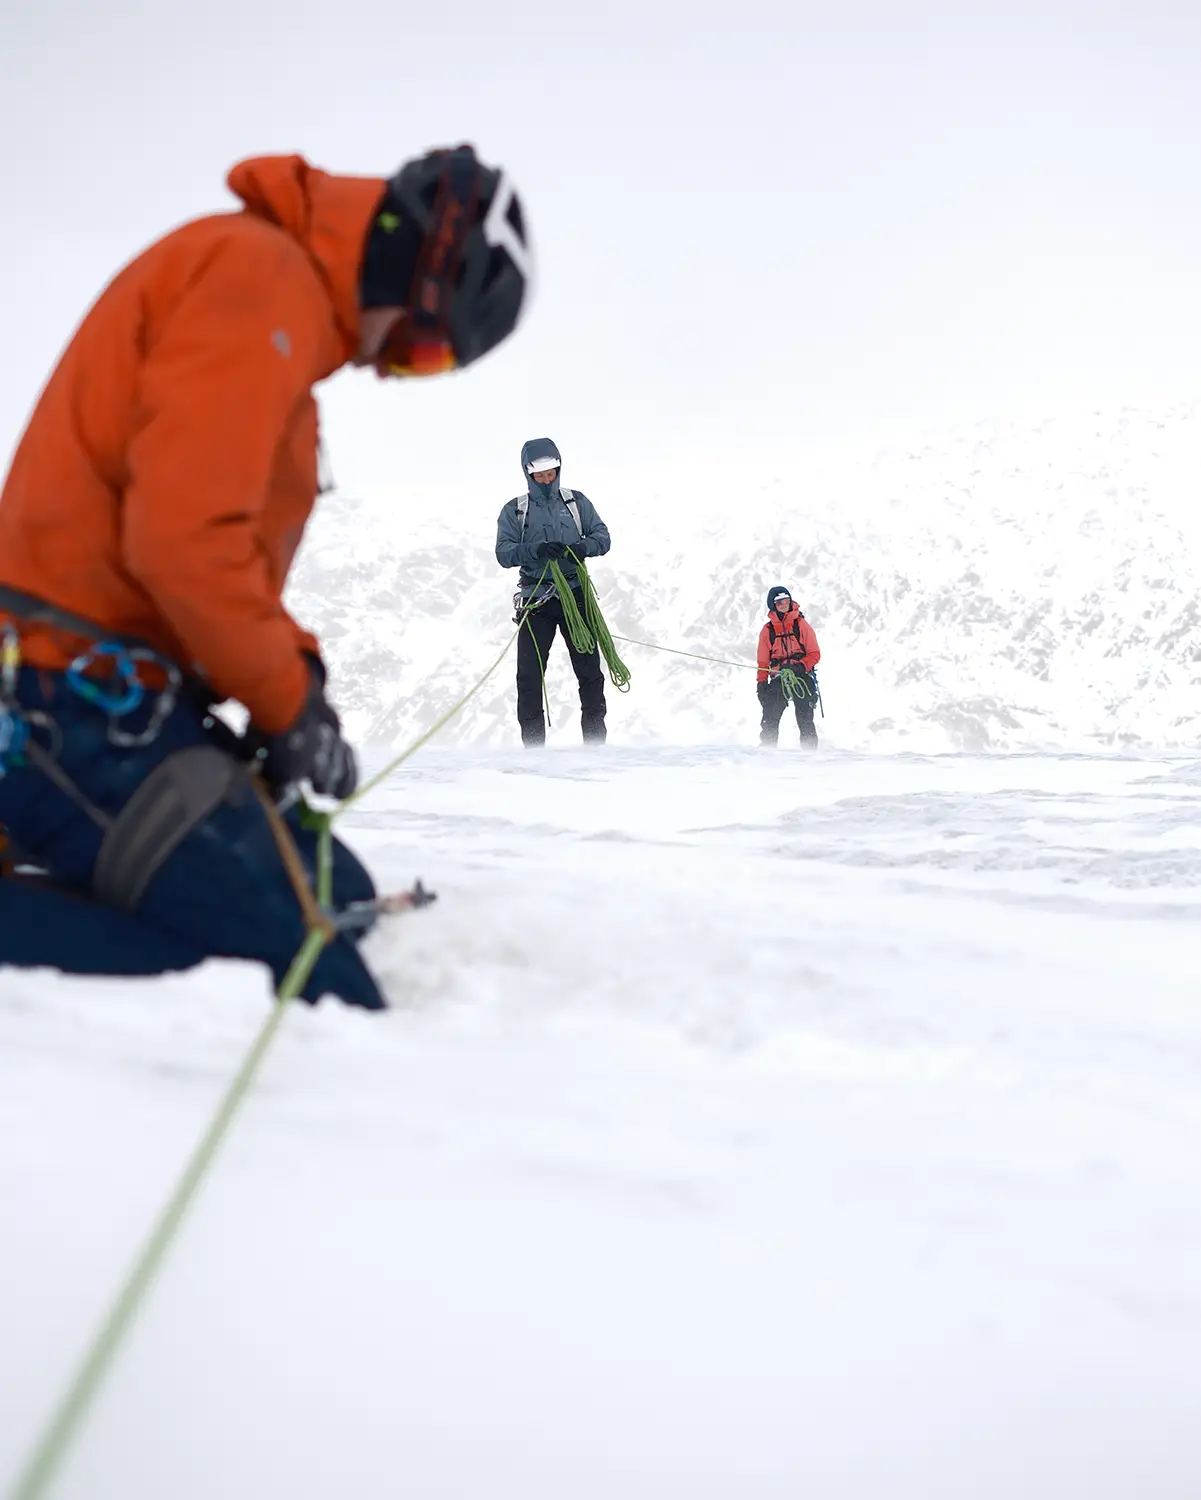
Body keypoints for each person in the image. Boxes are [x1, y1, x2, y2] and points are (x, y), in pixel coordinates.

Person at [0, 145, 533, 1006]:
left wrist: (299, 674)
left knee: (342, 899)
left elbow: (216, 554)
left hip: (111, 697)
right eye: (423, 347)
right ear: (421, 271)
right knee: (305, 976)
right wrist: (287, 703)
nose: (388, 366)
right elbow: (184, 545)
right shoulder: (256, 282)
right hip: (69, 703)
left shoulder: (268, 307)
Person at [495, 439, 611, 746]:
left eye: (551, 473)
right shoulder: (516, 510)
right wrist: (537, 550)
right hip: (537, 599)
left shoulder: (576, 503)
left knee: (590, 674)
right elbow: (503, 552)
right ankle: (534, 749)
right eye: (540, 475)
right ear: (528, 474)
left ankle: (595, 745)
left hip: (575, 594)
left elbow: (602, 536)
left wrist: (583, 546)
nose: (547, 479)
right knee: (529, 676)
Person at [756, 585, 821, 747]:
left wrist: (800, 666)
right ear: (773, 605)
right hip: (779, 677)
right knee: (770, 716)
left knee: (805, 717)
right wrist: (761, 683)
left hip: (802, 675)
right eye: (779, 602)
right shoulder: (767, 631)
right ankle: (766, 752)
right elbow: (763, 662)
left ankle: (810, 754)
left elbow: (814, 653)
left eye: (786, 600)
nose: (784, 605)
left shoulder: (801, 625)